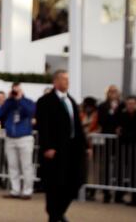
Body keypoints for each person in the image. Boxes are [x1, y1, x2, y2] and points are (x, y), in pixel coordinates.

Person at [35, 70, 86, 222]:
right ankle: (55, 215)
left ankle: (57, 212)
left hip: (71, 150)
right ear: (55, 81)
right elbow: (43, 126)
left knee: (74, 183)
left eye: (68, 79)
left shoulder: (71, 101)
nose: (67, 82)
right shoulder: (45, 101)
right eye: (64, 79)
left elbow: (77, 126)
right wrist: (47, 147)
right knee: (54, 184)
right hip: (55, 150)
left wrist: (85, 145)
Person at [0, 82, 36, 199]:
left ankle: (27, 190)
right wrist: (9, 100)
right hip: (10, 137)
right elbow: (1, 113)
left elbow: (30, 112)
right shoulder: (9, 103)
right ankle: (15, 189)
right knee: (12, 165)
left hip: (24, 137)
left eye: (17, 89)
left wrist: (20, 99)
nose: (15, 91)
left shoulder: (28, 102)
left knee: (26, 165)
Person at [116, 95, 136, 206]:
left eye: (132, 103)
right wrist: (126, 134)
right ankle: (121, 196)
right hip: (125, 149)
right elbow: (119, 131)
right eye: (128, 104)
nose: (130, 106)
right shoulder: (123, 115)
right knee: (126, 173)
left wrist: (127, 135)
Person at [97, 84, 124, 204]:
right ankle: (106, 193)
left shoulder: (123, 106)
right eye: (111, 91)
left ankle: (119, 194)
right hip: (107, 139)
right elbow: (101, 121)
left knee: (120, 168)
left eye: (115, 91)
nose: (113, 93)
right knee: (106, 168)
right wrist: (111, 112)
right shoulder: (102, 106)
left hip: (120, 141)